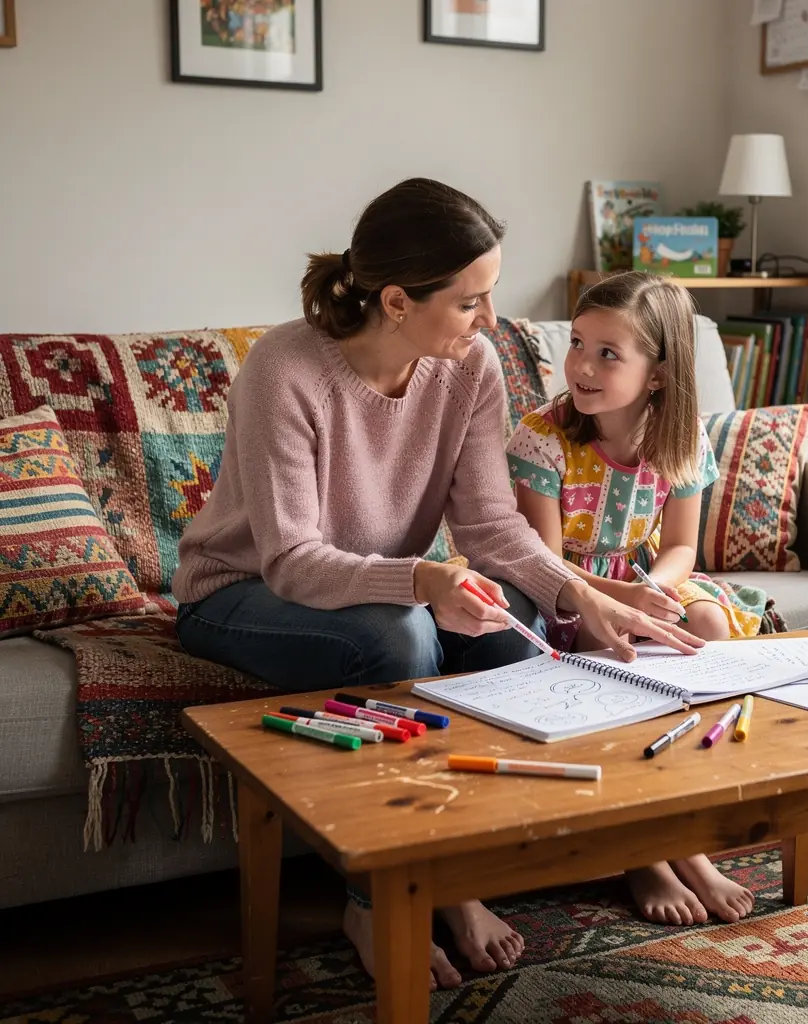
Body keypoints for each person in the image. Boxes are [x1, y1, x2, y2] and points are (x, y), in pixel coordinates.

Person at [171, 179, 706, 990]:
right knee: (401, 635)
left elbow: (492, 529)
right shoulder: (286, 369)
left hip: (379, 587)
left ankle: (468, 867)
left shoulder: (470, 366)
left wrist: (585, 598)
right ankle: (374, 900)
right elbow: (291, 560)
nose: (493, 321)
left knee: (515, 613)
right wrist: (423, 577)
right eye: (472, 302)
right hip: (241, 594)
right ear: (395, 301)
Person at [507, 270, 759, 927]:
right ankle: (642, 852)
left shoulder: (681, 439)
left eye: (608, 353)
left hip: (646, 580)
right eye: (579, 345)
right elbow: (546, 562)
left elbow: (681, 548)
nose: (582, 366)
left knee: (707, 621)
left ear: (656, 374)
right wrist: (624, 600)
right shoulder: (542, 438)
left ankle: (687, 833)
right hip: (570, 589)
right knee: (609, 641)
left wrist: (655, 591)